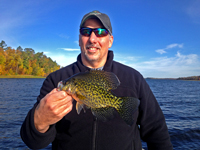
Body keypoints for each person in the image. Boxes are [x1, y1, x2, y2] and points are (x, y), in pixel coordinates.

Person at [20, 10, 173, 150]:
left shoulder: (134, 78)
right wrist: (39, 120)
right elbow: (33, 142)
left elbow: (157, 130)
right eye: (86, 32)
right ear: (79, 40)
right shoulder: (56, 80)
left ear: (110, 40)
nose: (92, 39)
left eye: (100, 32)